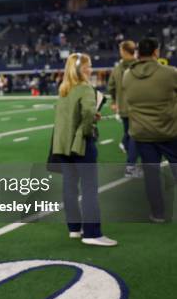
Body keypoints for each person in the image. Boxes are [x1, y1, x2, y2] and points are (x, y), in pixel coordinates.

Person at [52, 53, 117, 246]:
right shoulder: (85, 88)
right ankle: (92, 233)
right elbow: (88, 114)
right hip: (80, 145)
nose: (91, 69)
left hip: (62, 145)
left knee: (69, 187)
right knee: (89, 189)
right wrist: (88, 130)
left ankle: (74, 228)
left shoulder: (63, 88)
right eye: (88, 66)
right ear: (81, 69)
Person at [123, 37, 177, 223]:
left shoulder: (127, 75)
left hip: (143, 134)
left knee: (151, 176)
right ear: (156, 52)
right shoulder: (170, 72)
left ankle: (158, 213)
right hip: (168, 131)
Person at [107, 40, 141, 178]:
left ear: (125, 51)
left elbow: (111, 87)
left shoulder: (117, 69)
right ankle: (131, 166)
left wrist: (115, 101)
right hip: (139, 108)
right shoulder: (140, 66)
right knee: (135, 137)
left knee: (129, 134)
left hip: (124, 108)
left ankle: (130, 161)